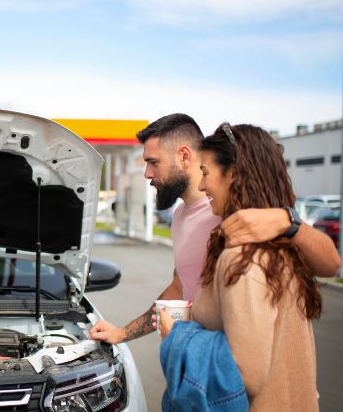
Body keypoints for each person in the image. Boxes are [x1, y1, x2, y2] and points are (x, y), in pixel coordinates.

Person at [90, 113, 339, 344]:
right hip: (203, 372)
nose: (147, 173)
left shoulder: (233, 211)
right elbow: (180, 287)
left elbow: (330, 265)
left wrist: (288, 221)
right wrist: (123, 333)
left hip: (239, 374)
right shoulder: (179, 216)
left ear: (185, 156)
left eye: (153, 162)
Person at [158, 123, 321, 411]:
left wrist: (177, 337)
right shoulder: (279, 242)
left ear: (232, 174)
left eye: (206, 173)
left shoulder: (240, 257)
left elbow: (246, 373)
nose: (202, 184)